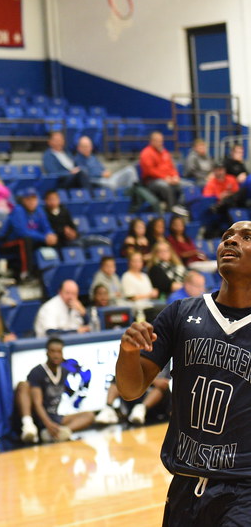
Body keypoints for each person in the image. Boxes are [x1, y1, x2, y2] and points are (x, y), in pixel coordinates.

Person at [115, 220, 251, 526]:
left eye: (246, 237)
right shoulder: (179, 313)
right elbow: (130, 389)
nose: (231, 241)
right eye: (227, 236)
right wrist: (128, 352)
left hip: (245, 489)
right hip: (185, 484)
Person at [17, 337, 95, 443]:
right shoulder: (37, 371)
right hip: (38, 417)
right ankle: (30, 427)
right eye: (52, 351)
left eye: (59, 352)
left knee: (89, 415)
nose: (56, 355)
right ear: (47, 353)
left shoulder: (64, 371)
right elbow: (37, 404)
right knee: (23, 385)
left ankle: (61, 432)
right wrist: (48, 423)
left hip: (54, 416)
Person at [4, 187, 56, 280]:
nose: (32, 202)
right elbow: (22, 232)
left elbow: (46, 227)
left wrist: (50, 235)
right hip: (10, 243)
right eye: (29, 199)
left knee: (53, 240)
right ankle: (26, 273)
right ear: (24, 200)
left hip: (32, 240)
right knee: (25, 241)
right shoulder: (18, 210)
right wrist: (44, 237)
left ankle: (50, 271)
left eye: (34, 199)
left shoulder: (39, 210)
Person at [139, 131, 187, 215]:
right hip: (152, 181)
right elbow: (150, 170)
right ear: (152, 141)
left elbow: (171, 167)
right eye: (158, 141)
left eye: (161, 141)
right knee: (165, 186)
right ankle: (171, 212)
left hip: (168, 179)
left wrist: (175, 176)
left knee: (187, 186)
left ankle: (181, 208)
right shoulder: (146, 153)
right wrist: (165, 178)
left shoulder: (165, 152)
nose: (160, 143)